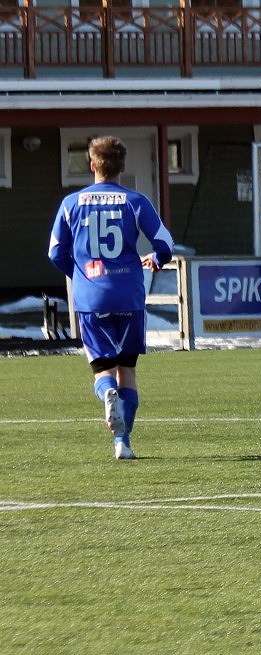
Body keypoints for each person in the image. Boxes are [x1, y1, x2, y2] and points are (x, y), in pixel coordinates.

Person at [47, 136, 175, 460]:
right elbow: (165, 244)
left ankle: (107, 394)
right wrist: (156, 259)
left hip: (92, 298)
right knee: (127, 371)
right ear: (123, 166)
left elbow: (55, 252)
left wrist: (81, 275)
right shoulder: (136, 201)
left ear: (92, 165)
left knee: (103, 371)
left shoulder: (71, 204)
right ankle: (123, 443)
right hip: (129, 296)